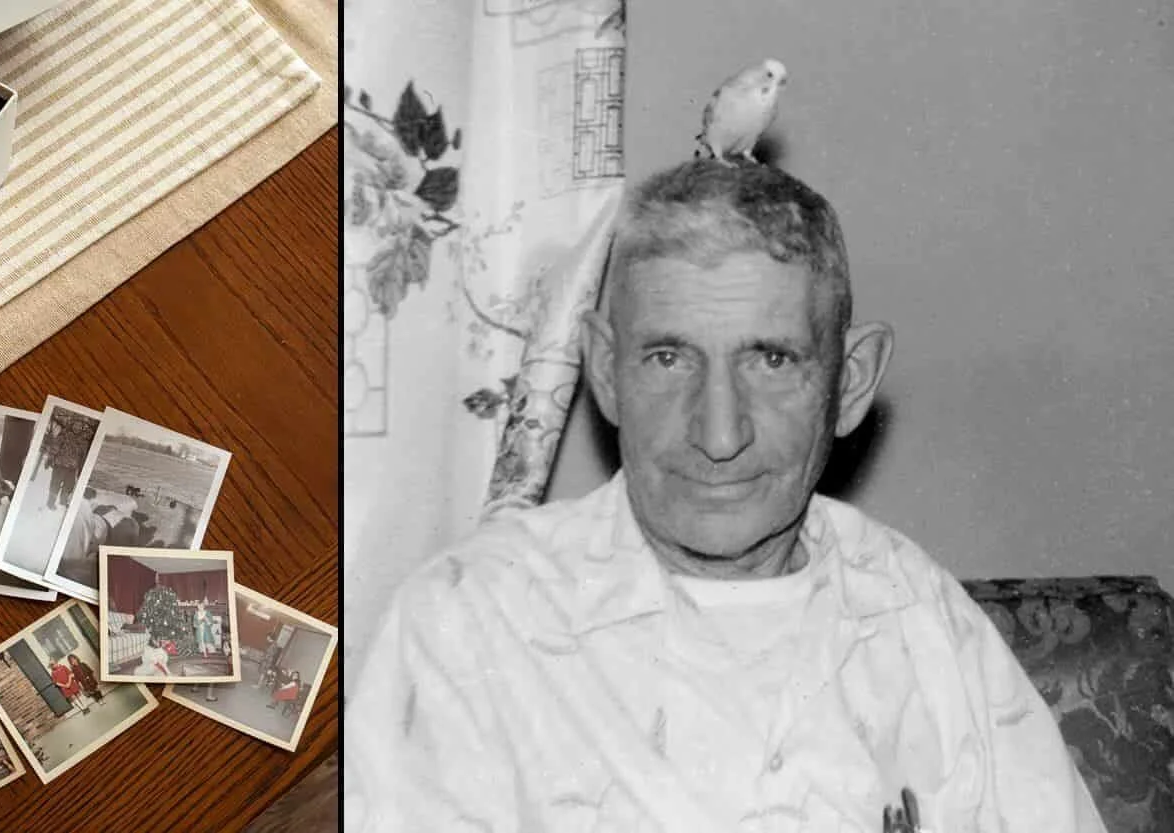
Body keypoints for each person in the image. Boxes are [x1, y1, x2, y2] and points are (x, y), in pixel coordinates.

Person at [342, 160, 1102, 831]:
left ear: (850, 383)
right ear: (605, 369)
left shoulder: (921, 619)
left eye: (771, 360)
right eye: (668, 358)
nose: (718, 432)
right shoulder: (466, 625)